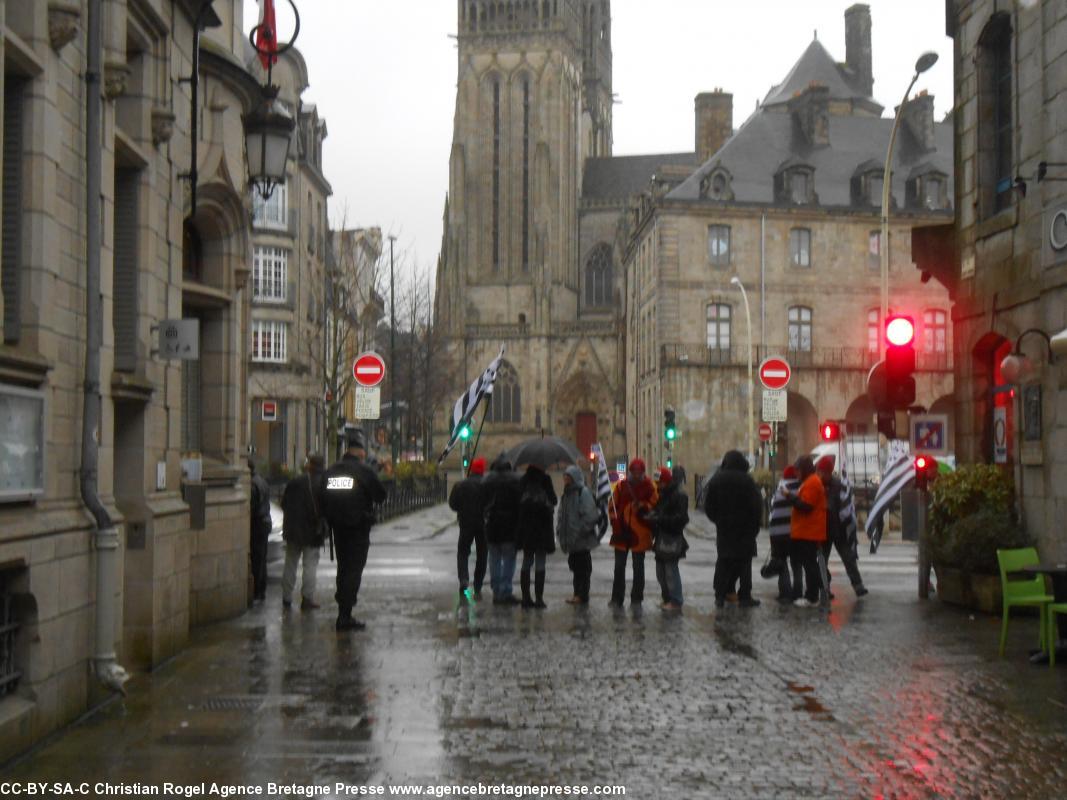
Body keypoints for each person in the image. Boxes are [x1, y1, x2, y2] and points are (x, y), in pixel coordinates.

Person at [320, 430, 387, 631]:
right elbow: (380, 495)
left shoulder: (331, 471)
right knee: (353, 570)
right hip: (358, 527)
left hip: (337, 528)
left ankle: (343, 609)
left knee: (343, 568)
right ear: (361, 453)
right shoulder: (363, 471)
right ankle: (345, 614)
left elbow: (322, 496)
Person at [704, 451, 763, 608]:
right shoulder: (748, 481)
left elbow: (708, 505)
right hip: (745, 529)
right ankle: (745, 595)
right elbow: (757, 505)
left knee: (723, 561)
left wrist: (718, 520)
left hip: (725, 529)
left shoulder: (717, 480)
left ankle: (720, 595)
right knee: (744, 563)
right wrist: (755, 525)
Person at [816, 456, 868, 598]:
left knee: (848, 559)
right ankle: (824, 589)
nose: (822, 475)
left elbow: (837, 505)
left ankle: (858, 585)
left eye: (825, 472)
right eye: (820, 472)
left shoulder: (838, 485)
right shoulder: (816, 484)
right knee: (822, 562)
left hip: (838, 529)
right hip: (823, 530)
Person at [608, 458, 658, 607]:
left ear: (643, 472)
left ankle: (637, 598)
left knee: (638, 567)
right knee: (619, 567)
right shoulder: (621, 486)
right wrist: (614, 519)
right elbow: (612, 505)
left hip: (640, 532)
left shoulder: (649, 486)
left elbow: (655, 504)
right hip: (621, 530)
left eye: (639, 472)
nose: (636, 475)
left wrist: (643, 505)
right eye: (634, 472)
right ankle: (617, 598)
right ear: (630, 472)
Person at [280, 453, 327, 611]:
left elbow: (284, 503)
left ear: (309, 465)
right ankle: (307, 598)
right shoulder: (324, 483)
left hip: (293, 529)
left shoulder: (296, 481)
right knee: (310, 565)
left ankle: (286, 597)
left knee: (290, 563)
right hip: (313, 531)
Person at [786, 455, 828, 607]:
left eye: (797, 470)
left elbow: (806, 506)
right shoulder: (809, 482)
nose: (796, 474)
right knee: (808, 563)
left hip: (809, 531)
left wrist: (789, 497)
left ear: (804, 470)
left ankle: (812, 596)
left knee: (809, 564)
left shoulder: (812, 483)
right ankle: (814, 593)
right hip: (806, 531)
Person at [556, 465, 600, 605]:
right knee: (576, 569)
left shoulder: (583, 492)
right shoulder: (566, 495)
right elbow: (562, 515)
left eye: (568, 476)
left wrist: (580, 531)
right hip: (572, 541)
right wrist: (560, 530)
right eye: (564, 476)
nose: (565, 479)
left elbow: (591, 515)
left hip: (581, 540)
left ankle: (582, 595)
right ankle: (577, 594)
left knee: (583, 569)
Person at [516, 463, 557, 609]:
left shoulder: (523, 480)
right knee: (540, 563)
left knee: (526, 561)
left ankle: (526, 598)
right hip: (543, 528)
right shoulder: (546, 480)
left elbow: (517, 502)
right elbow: (554, 500)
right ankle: (539, 598)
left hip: (527, 528)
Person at [482, 455, 521, 605]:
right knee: (509, 559)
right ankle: (505, 590)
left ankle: (496, 590)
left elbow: (482, 502)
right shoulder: (516, 480)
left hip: (492, 526)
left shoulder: (487, 480)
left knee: (494, 559)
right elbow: (519, 504)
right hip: (510, 527)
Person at [650, 466, 689, 611]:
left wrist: (660, 519)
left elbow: (681, 518)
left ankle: (675, 600)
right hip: (661, 537)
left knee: (670, 570)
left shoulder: (679, 495)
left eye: (660, 482)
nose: (657, 485)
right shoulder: (663, 494)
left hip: (672, 537)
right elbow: (658, 511)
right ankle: (667, 598)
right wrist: (651, 516)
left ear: (666, 481)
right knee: (661, 571)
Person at [449, 456, 488, 600]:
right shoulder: (486, 485)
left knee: (463, 552)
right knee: (482, 553)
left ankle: (464, 580)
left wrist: (462, 508)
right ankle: (478, 584)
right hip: (482, 523)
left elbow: (453, 504)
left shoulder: (461, 485)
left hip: (466, 523)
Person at [766, 465, 802, 603]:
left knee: (781, 564)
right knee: (797, 563)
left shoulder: (780, 488)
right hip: (796, 532)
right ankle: (798, 592)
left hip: (778, 532)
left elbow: (772, 508)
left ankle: (785, 593)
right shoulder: (802, 488)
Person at [248, 457, 272, 602]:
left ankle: (258, 590)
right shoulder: (261, 480)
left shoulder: (252, 484)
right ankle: (261, 589)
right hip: (265, 522)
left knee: (257, 559)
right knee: (262, 558)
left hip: (257, 523)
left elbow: (252, 505)